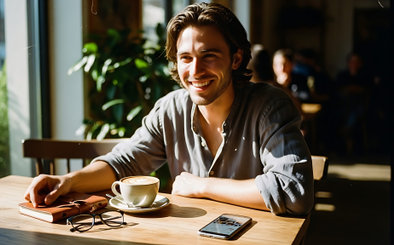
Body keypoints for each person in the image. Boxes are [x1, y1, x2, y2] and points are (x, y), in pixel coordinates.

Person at [24, 2, 313, 216]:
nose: (195, 70)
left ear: (236, 59)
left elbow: (294, 191)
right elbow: (123, 163)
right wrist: (67, 181)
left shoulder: (270, 106)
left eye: (208, 56)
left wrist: (200, 186)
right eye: (185, 58)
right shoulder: (170, 109)